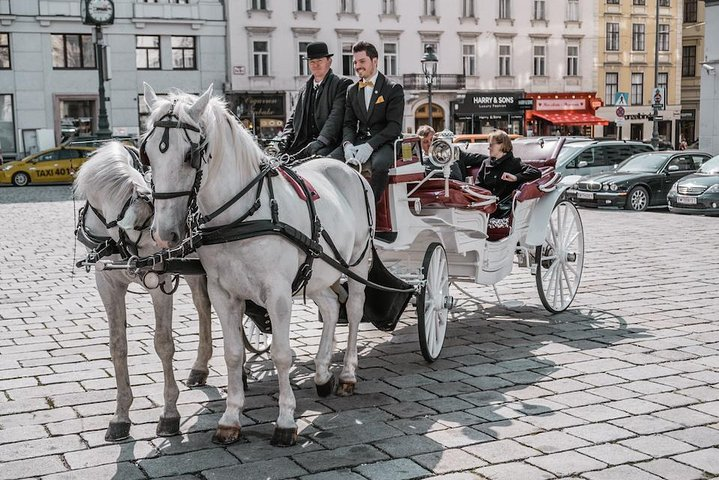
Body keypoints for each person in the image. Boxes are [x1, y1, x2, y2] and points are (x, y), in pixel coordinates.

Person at [338, 41, 405, 201]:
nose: (357, 66)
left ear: (374, 61)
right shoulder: (352, 90)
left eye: (362, 61)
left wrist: (370, 146)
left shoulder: (393, 88)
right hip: (358, 141)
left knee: (380, 167)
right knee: (329, 162)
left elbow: (394, 127)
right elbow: (349, 124)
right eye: (355, 62)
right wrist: (347, 145)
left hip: (384, 142)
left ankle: (372, 210)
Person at [277, 42, 352, 158]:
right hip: (303, 144)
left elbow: (335, 117)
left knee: (314, 163)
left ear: (329, 61)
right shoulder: (304, 89)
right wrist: (285, 137)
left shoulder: (341, 84)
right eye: (312, 62)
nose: (315, 65)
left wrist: (320, 141)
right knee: (277, 164)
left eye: (319, 61)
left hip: (329, 144)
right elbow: (294, 117)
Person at [473, 130, 541, 201]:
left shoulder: (514, 162)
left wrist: (516, 177)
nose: (488, 148)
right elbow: (478, 186)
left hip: (506, 208)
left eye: (491, 145)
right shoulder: (486, 163)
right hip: (485, 206)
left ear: (502, 145)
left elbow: (536, 172)